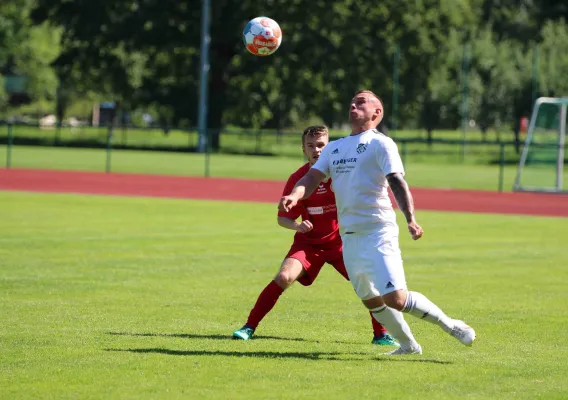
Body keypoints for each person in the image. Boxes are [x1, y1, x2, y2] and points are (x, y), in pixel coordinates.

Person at [278, 90, 476, 355]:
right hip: (349, 236)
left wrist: (411, 219)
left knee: (395, 298)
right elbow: (311, 179)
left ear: (377, 113)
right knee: (370, 299)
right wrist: (294, 194)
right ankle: (408, 345)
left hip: (377, 230)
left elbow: (397, 181)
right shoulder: (335, 148)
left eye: (361, 102)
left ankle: (452, 325)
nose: (353, 104)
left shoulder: (381, 144)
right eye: (352, 101)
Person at [233, 125, 397, 346]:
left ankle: (381, 334)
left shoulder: (343, 174)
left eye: (321, 145)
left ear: (329, 147)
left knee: (368, 284)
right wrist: (297, 226)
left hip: (342, 243)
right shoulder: (298, 178)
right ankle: (248, 327)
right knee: (284, 277)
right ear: (303, 149)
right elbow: (282, 218)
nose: (316, 150)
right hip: (309, 244)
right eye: (310, 145)